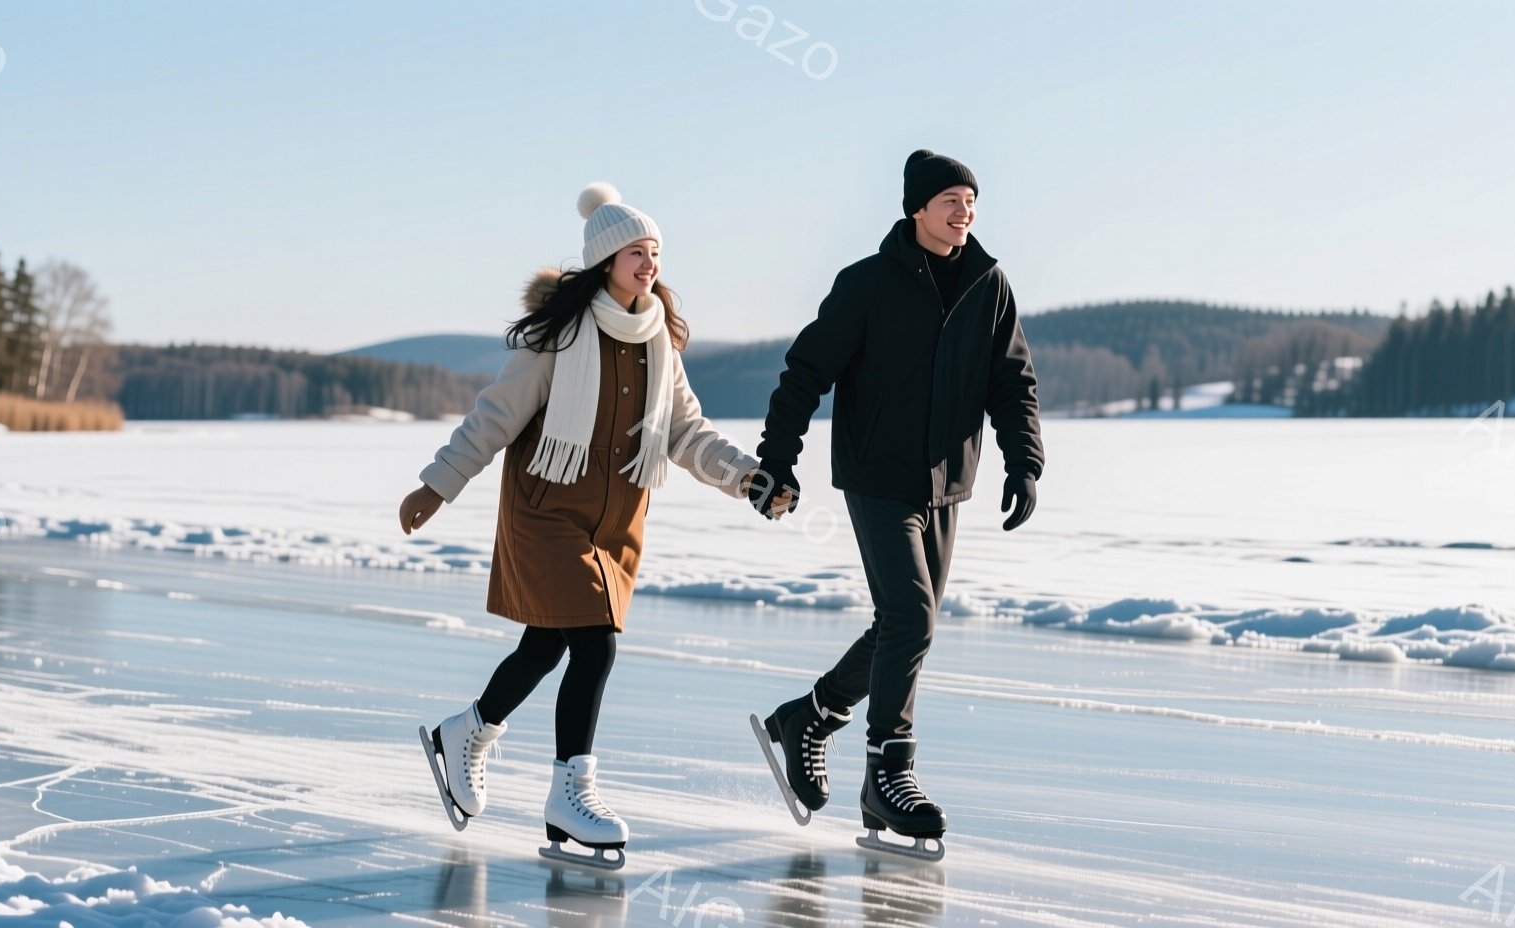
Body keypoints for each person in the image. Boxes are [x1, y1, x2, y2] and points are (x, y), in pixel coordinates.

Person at [401, 183, 790, 869]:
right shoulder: (558, 338)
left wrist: (747, 478)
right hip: (547, 512)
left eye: (656, 253)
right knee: (595, 643)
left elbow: (683, 431)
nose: (650, 265)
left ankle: (466, 731)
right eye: (637, 252)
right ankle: (570, 794)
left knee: (546, 646)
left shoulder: (659, 341)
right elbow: (496, 414)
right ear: (606, 259)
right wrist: (438, 483)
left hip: (616, 523)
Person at [747, 150, 1044, 858]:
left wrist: (1024, 461)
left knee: (904, 625)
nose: (964, 211)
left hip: (946, 484)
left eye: (971, 200)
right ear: (917, 208)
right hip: (878, 476)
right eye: (950, 199)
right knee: (911, 616)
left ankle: (808, 717)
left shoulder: (987, 284)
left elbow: (1013, 382)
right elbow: (805, 372)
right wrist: (776, 460)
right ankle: (889, 772)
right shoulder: (868, 285)